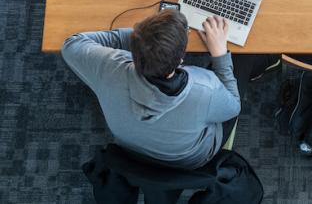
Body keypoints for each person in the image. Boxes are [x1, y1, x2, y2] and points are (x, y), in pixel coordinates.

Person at [61, 10, 279, 169]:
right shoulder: (204, 88)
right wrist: (220, 54)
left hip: (131, 147)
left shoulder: (109, 67)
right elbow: (233, 107)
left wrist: (143, 40)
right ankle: (268, 61)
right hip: (193, 158)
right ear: (181, 59)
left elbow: (71, 44)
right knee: (246, 50)